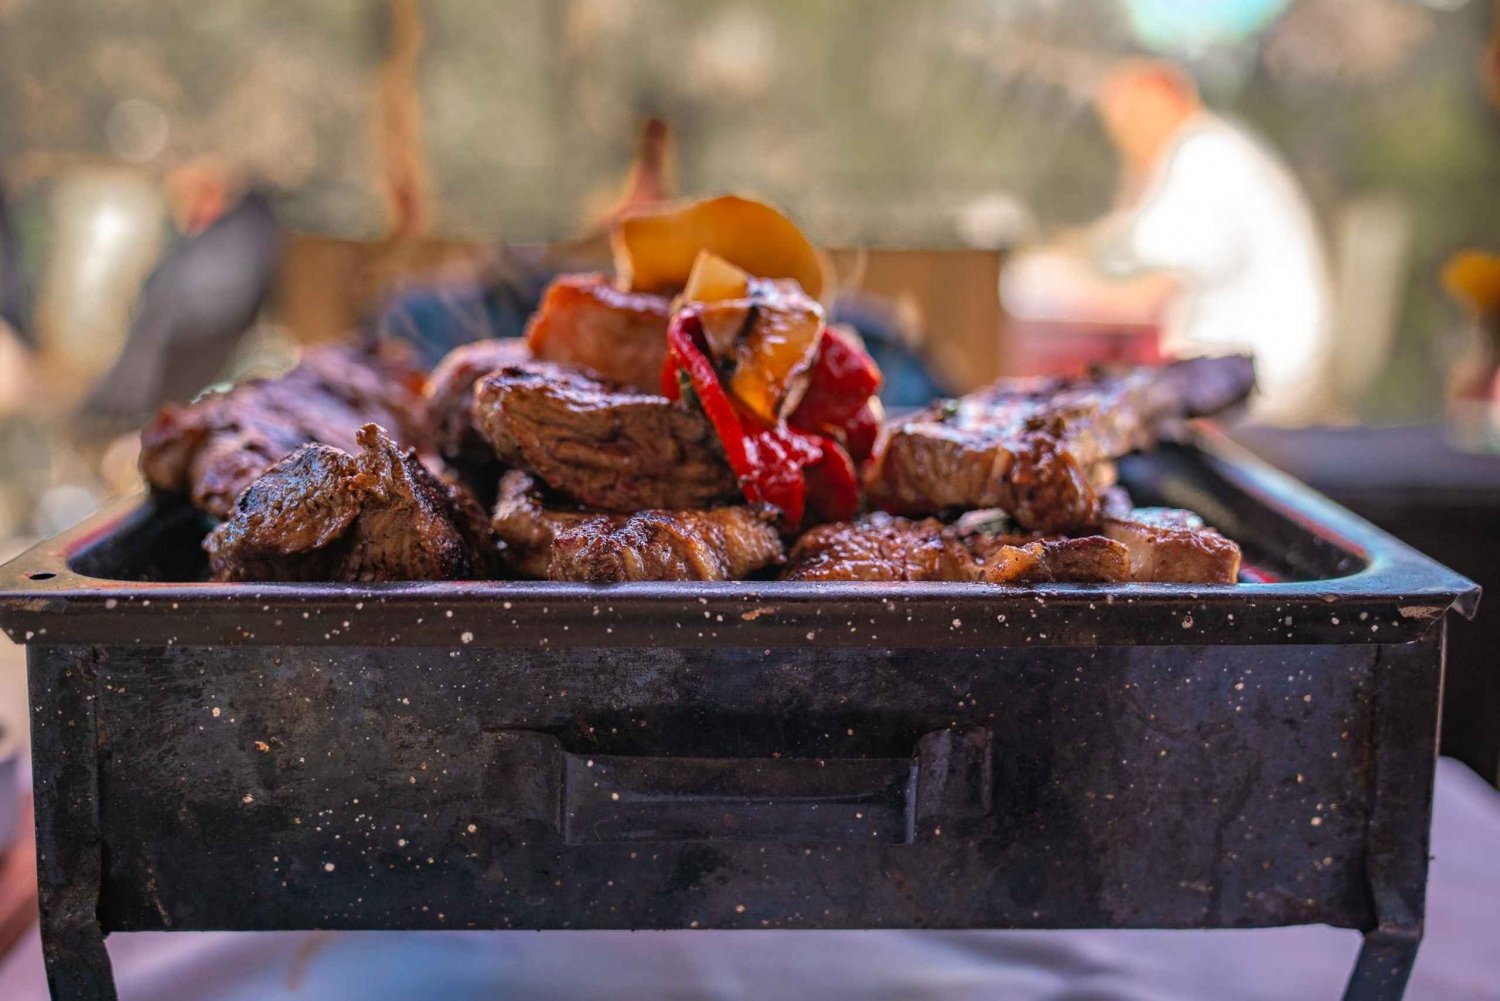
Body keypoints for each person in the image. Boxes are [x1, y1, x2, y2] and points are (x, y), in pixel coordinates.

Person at [1089, 60, 1333, 422]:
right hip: (1240, 366)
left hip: (1256, 372)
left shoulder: (1205, 156)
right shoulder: (1201, 151)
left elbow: (1151, 289)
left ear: (1163, 102)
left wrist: (1066, 298)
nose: (1125, 138)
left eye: (1130, 120)